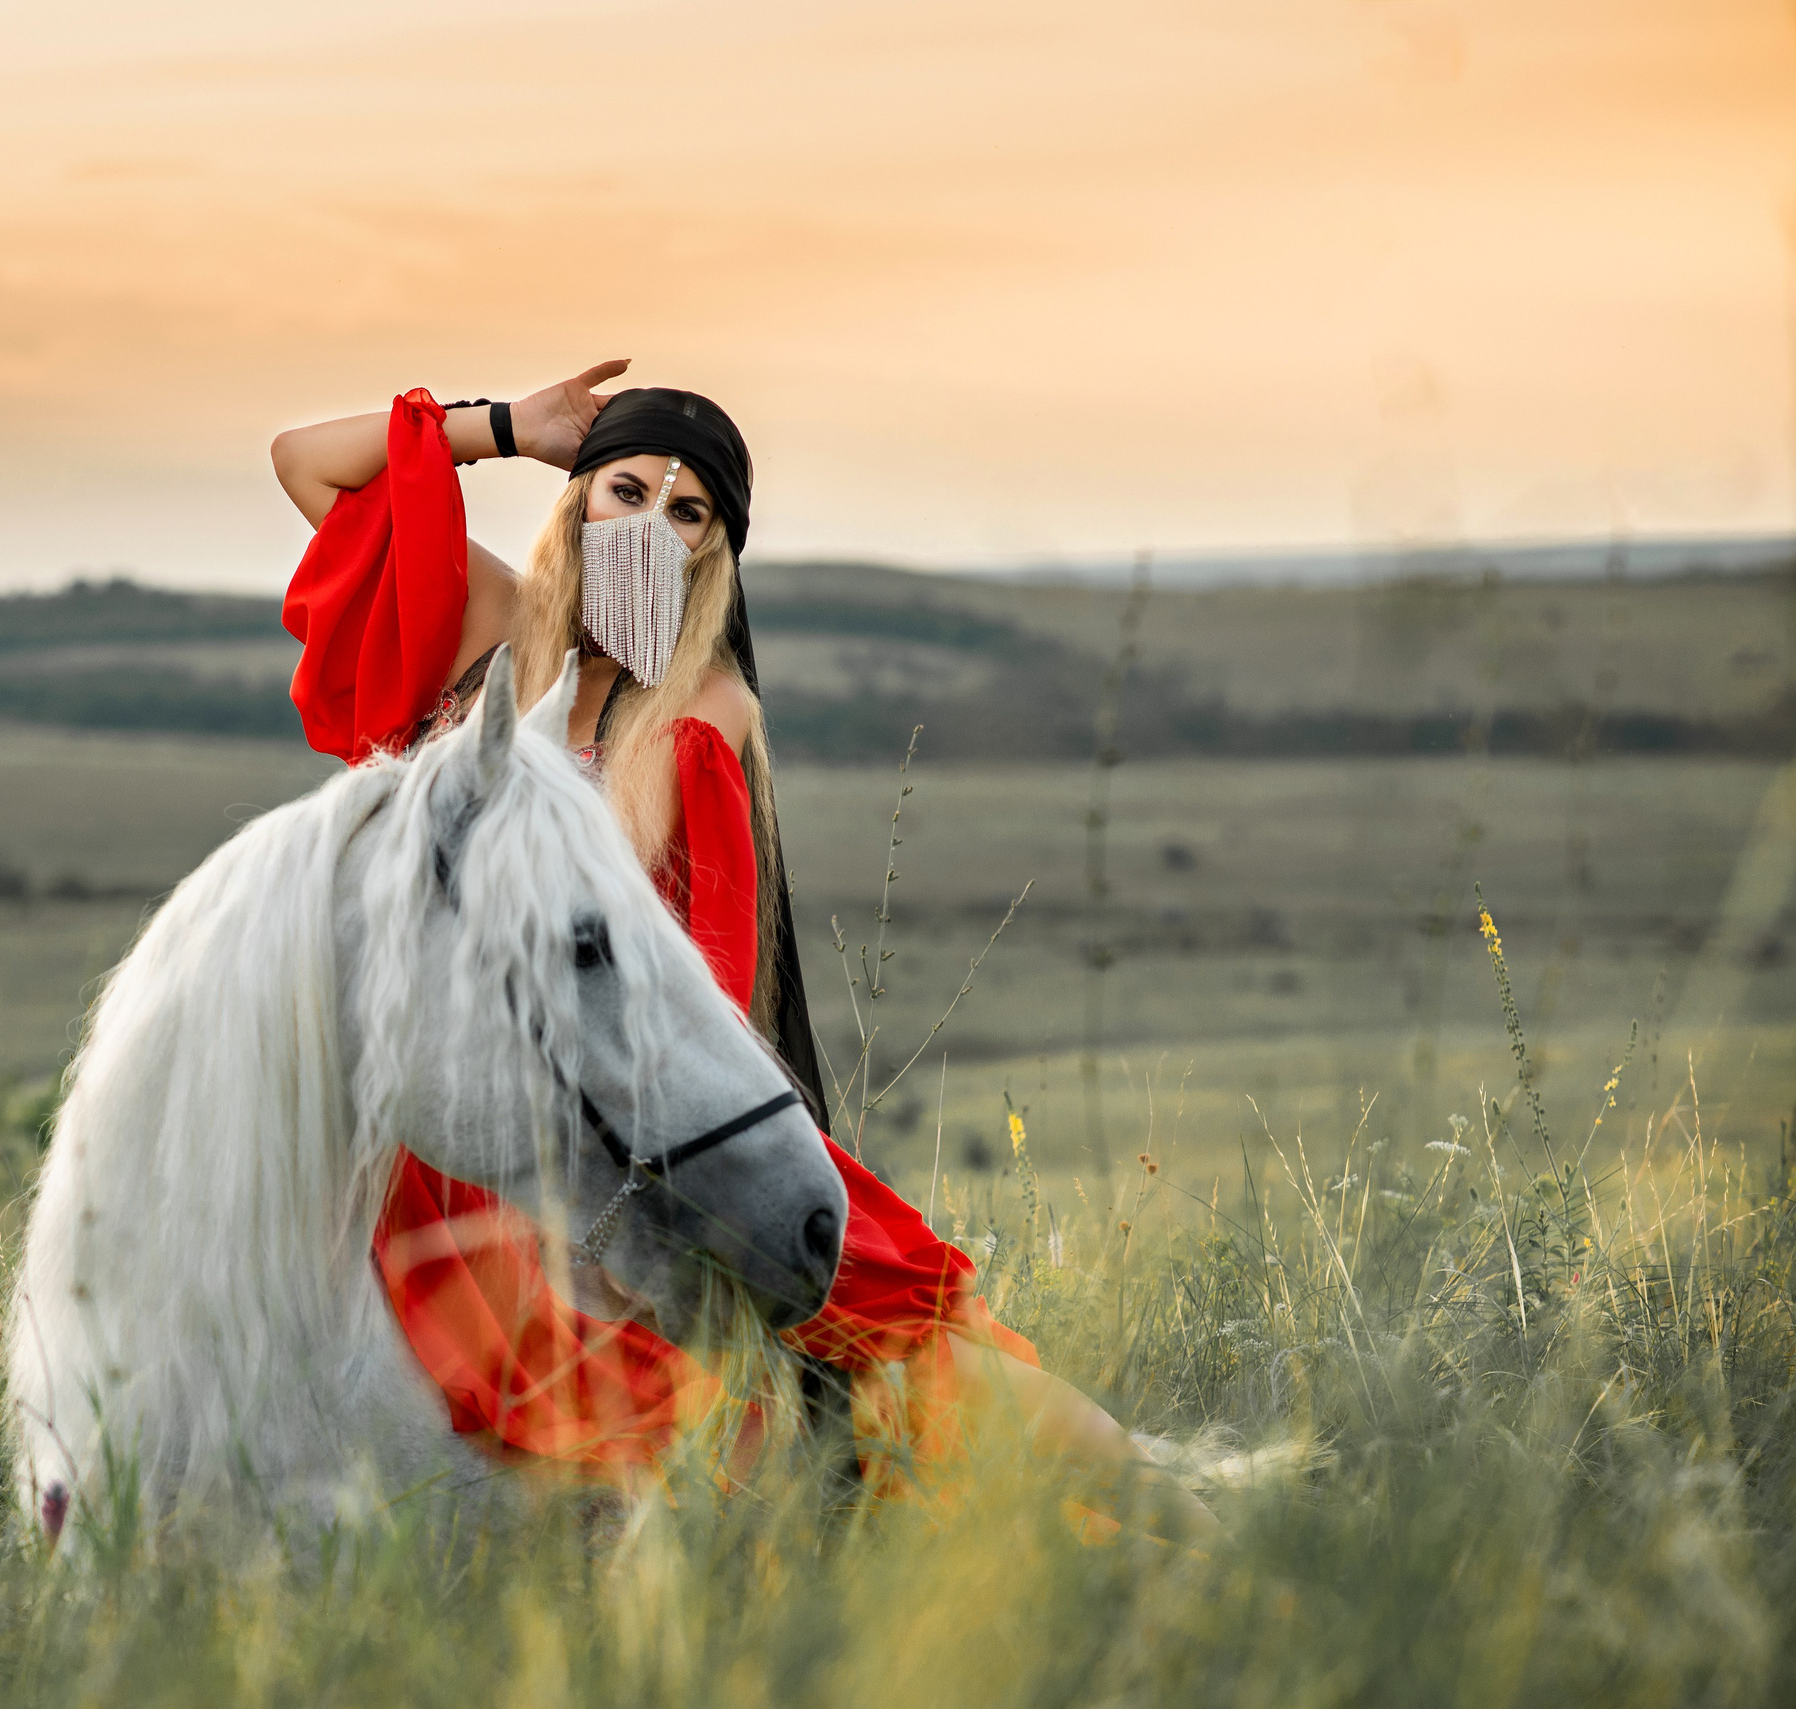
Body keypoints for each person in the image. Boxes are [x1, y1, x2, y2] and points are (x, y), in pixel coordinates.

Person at [273, 364, 1210, 1532]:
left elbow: (696, 967)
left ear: (715, 548)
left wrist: (643, 1193)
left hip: (599, 1097)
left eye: (687, 511)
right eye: (626, 491)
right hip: (435, 1080)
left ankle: (1177, 1507)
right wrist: (513, 428)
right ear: (577, 503)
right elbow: (306, 457)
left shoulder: (703, 710)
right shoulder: (481, 625)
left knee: (888, 1332)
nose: (652, 524)